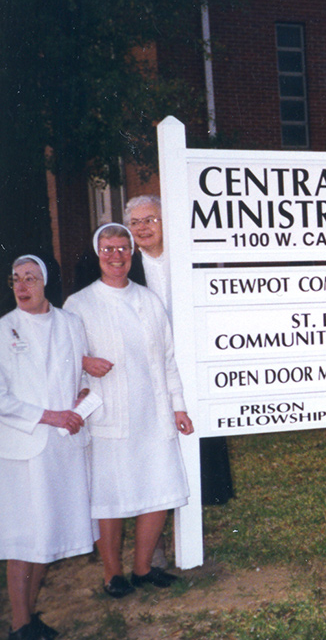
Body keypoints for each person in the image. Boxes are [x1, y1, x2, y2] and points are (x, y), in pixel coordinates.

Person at [64, 223, 194, 598]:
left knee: (159, 486)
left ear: (132, 253)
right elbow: (63, 356)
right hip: (109, 414)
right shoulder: (80, 303)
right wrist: (84, 361)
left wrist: (178, 406)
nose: (116, 256)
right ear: (97, 253)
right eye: (108, 249)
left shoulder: (149, 300)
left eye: (122, 249)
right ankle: (112, 573)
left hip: (152, 410)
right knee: (110, 496)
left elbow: (167, 358)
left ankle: (142, 568)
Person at [1, 255, 96, 640]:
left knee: (48, 534)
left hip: (62, 447)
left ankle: (28, 619)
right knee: (24, 537)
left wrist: (83, 395)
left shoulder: (71, 323)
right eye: (16, 279)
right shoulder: (4, 330)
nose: (22, 286)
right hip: (24, 448)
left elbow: (82, 373)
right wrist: (50, 415)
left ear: (46, 283)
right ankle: (20, 623)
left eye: (31, 278)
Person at [123, 196, 234, 509]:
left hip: (191, 360)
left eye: (150, 220)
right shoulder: (125, 268)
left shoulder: (191, 259)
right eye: (135, 222)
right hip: (146, 367)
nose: (142, 227)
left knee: (198, 429)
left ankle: (199, 501)